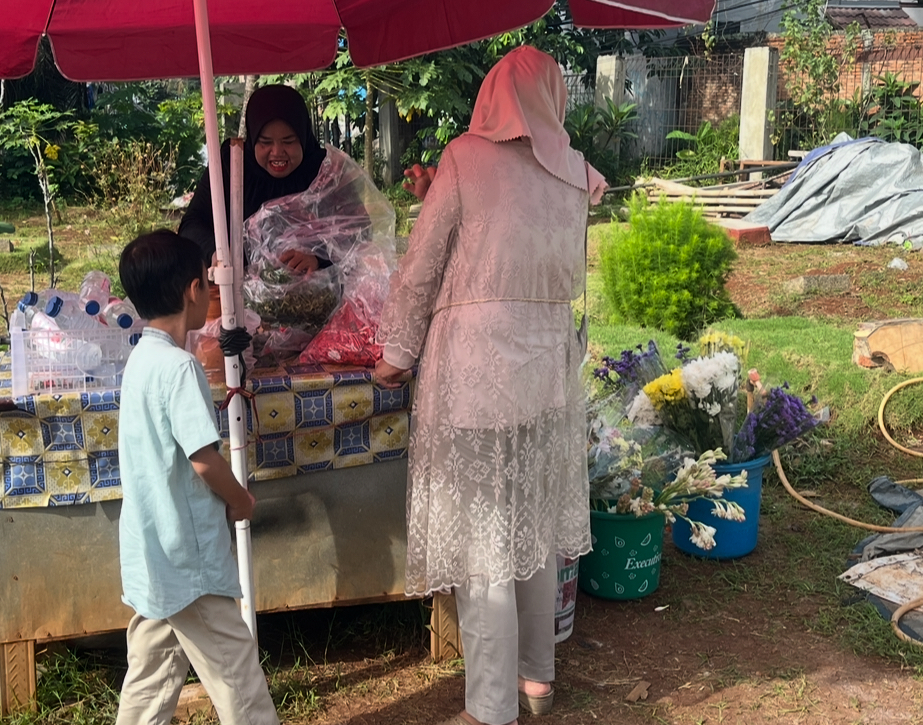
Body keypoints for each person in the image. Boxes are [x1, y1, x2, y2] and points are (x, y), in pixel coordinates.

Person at [374, 47, 607, 725]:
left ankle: (490, 707)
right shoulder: (575, 171)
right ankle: (537, 679)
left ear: (490, 95)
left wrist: (395, 351)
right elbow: (517, 244)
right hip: (545, 370)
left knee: (484, 540)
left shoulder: (465, 156)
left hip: (476, 370)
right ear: (551, 98)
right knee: (532, 532)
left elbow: (423, 265)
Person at [114, 229, 278, 725]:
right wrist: (240, 500)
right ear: (194, 291)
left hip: (150, 552)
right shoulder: (179, 367)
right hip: (189, 558)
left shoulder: (139, 360)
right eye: (209, 282)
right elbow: (203, 458)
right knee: (235, 672)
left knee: (152, 671)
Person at [179, 84, 331, 274]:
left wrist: (319, 259)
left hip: (314, 291)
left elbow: (358, 233)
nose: (277, 152)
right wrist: (215, 253)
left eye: (288, 141)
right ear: (252, 137)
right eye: (265, 142)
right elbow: (192, 224)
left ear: (304, 136)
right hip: (237, 290)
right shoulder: (232, 164)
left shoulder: (324, 170)